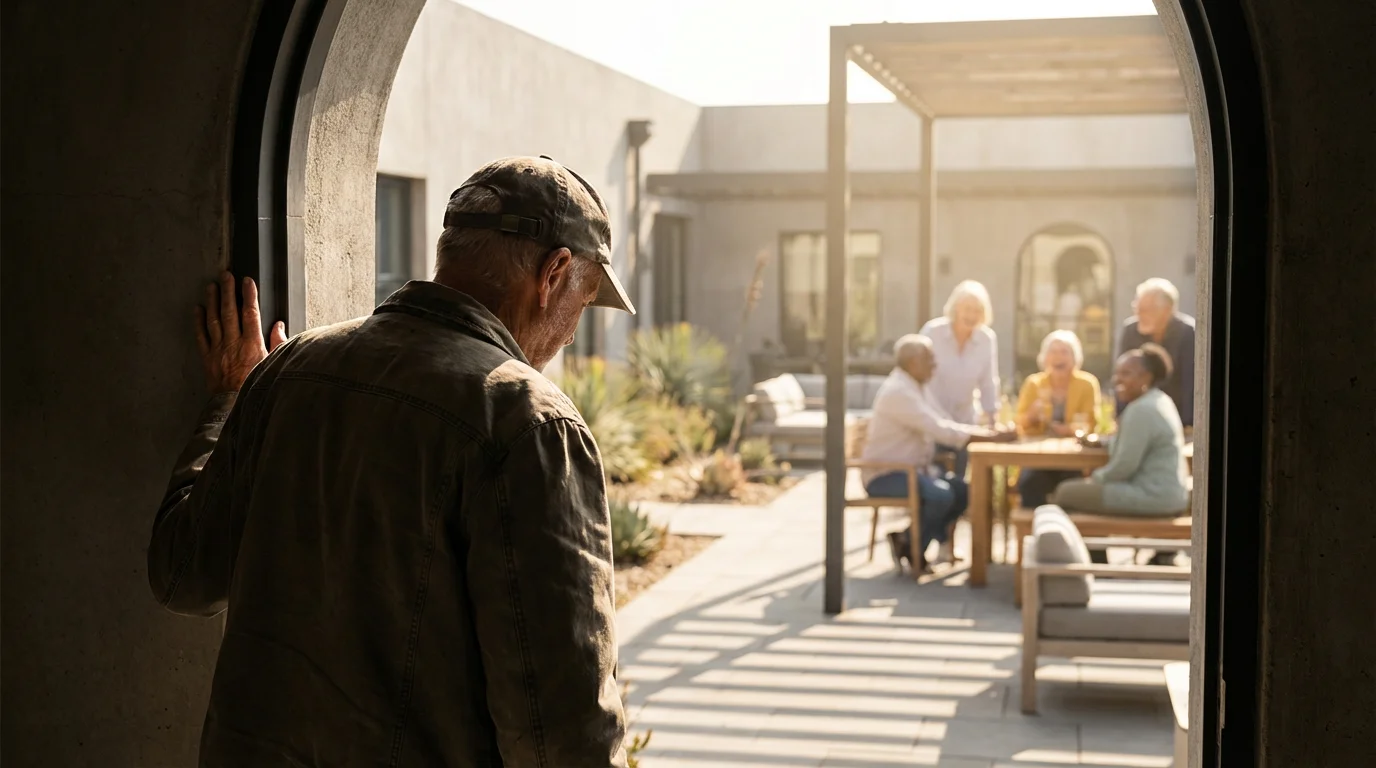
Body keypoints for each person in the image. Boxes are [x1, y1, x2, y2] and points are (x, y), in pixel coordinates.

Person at [147, 156, 633, 766]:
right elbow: (562, 736)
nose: (568, 336)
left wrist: (230, 398)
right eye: (583, 303)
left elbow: (180, 575)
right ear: (554, 273)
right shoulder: (528, 421)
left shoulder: (286, 371)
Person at [862, 335, 1017, 574]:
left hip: (915, 471)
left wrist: (986, 429)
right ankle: (913, 547)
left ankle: (907, 540)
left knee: (963, 491)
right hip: (887, 474)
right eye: (930, 360)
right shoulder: (898, 392)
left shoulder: (917, 387)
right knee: (941, 496)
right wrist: (990, 437)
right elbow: (939, 429)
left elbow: (945, 420)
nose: (935, 365)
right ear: (914, 362)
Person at [1053, 344, 1191, 562]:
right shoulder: (1158, 400)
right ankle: (1096, 557)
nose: (1118, 379)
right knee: (1083, 494)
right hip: (1168, 493)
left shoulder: (1141, 411)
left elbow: (1123, 468)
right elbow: (1134, 443)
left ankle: (1090, 561)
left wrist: (1094, 479)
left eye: (1126, 373)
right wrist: (1103, 442)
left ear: (1146, 377)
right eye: (1117, 372)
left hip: (1152, 496)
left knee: (1065, 492)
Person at [1015, 330, 1103, 507]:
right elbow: (1020, 425)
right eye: (1053, 352)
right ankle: (1033, 529)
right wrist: (1031, 416)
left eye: (1064, 352)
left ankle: (1069, 531)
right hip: (1038, 456)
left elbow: (1091, 423)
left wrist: (1070, 430)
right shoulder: (1034, 383)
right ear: (1045, 357)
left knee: (1071, 486)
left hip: (1072, 457)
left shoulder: (1087, 383)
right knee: (1030, 483)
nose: (1058, 357)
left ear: (1074, 358)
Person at [1118, 278, 1195, 429]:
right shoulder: (1130, 330)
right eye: (1137, 309)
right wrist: (1121, 416)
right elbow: (1121, 376)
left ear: (1167, 310)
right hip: (1139, 414)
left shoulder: (1188, 333)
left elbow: (1190, 382)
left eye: (1146, 310)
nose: (1139, 315)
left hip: (1176, 416)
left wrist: (1188, 423)